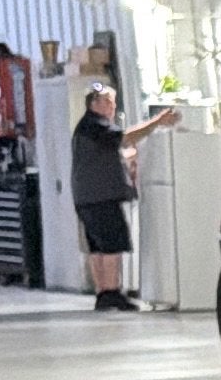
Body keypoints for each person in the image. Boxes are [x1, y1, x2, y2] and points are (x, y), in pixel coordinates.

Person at [69, 82, 178, 311]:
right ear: (94, 104)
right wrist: (157, 122)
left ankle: (102, 292)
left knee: (97, 246)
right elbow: (125, 138)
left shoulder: (87, 127)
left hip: (86, 196)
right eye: (108, 102)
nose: (112, 107)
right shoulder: (96, 125)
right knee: (112, 243)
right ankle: (111, 292)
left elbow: (112, 150)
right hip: (101, 196)